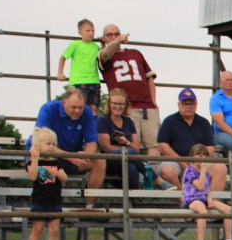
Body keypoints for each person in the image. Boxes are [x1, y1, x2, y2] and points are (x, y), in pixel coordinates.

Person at [98, 25, 167, 188]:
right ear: (104, 38)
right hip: (126, 107)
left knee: (153, 144)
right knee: (129, 144)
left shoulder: (135, 53)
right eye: (109, 35)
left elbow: (150, 78)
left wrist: (153, 101)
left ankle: (152, 181)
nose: (114, 37)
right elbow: (106, 54)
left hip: (147, 105)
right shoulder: (103, 55)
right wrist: (117, 41)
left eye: (116, 34)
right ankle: (146, 179)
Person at [28, 88, 105, 207]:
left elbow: (92, 143)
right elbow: (42, 143)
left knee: (99, 161)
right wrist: (71, 157)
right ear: (64, 102)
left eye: (81, 107)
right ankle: (47, 210)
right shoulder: (48, 109)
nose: (77, 111)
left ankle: (91, 207)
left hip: (69, 158)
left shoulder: (87, 112)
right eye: (73, 107)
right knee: (47, 167)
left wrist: (85, 156)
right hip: (45, 157)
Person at [157, 88, 227, 193]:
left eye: (191, 103)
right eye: (185, 103)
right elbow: (162, 145)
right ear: (179, 105)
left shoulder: (204, 122)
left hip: (200, 161)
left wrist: (198, 161)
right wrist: (181, 161)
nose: (188, 106)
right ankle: (183, 197)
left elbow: (210, 148)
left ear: (196, 105)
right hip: (175, 161)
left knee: (221, 168)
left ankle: (212, 202)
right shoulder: (169, 121)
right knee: (166, 170)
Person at [24, 128, 72, 240]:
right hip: (40, 201)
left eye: (53, 144)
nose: (51, 147)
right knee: (37, 229)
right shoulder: (34, 163)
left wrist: (56, 173)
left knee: (54, 230)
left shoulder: (56, 163)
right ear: (38, 146)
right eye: (48, 144)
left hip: (55, 202)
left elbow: (65, 178)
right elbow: (32, 176)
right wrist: (34, 159)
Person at [181, 143, 232, 240]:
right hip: (192, 198)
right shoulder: (190, 171)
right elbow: (199, 186)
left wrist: (210, 198)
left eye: (204, 156)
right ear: (192, 157)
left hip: (204, 198)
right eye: (199, 156)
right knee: (203, 211)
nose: (202, 159)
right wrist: (204, 169)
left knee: (228, 210)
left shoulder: (205, 172)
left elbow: (206, 187)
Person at [95, 87, 145, 190]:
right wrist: (126, 150)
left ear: (125, 104)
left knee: (132, 168)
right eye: (114, 103)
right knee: (129, 152)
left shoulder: (129, 121)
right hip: (107, 161)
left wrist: (126, 142)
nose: (117, 107)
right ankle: (156, 178)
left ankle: (131, 203)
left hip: (125, 160)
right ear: (109, 103)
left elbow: (136, 149)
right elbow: (106, 148)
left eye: (121, 104)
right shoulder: (102, 120)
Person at [56, 19, 101, 116]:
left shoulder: (96, 47)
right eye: (88, 30)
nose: (91, 33)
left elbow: (103, 57)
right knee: (80, 107)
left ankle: (92, 129)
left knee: (94, 108)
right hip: (79, 81)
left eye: (93, 31)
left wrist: (103, 43)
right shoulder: (75, 44)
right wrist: (60, 72)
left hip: (94, 81)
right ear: (80, 32)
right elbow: (63, 57)